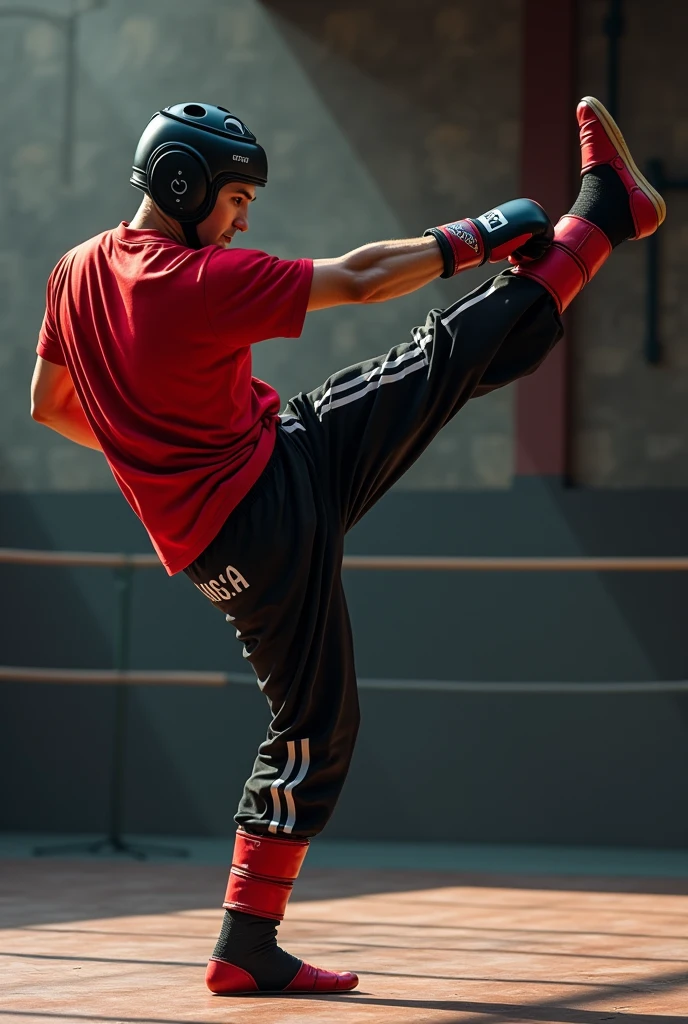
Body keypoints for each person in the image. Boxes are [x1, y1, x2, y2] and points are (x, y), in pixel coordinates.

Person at [30, 96, 665, 996]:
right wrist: (475, 235)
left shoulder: (73, 271)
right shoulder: (197, 281)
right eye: (237, 196)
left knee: (441, 363)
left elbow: (50, 405)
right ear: (183, 183)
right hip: (266, 514)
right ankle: (244, 948)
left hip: (260, 480)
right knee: (315, 726)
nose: (246, 216)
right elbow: (363, 276)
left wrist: (157, 454)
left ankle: (606, 213)